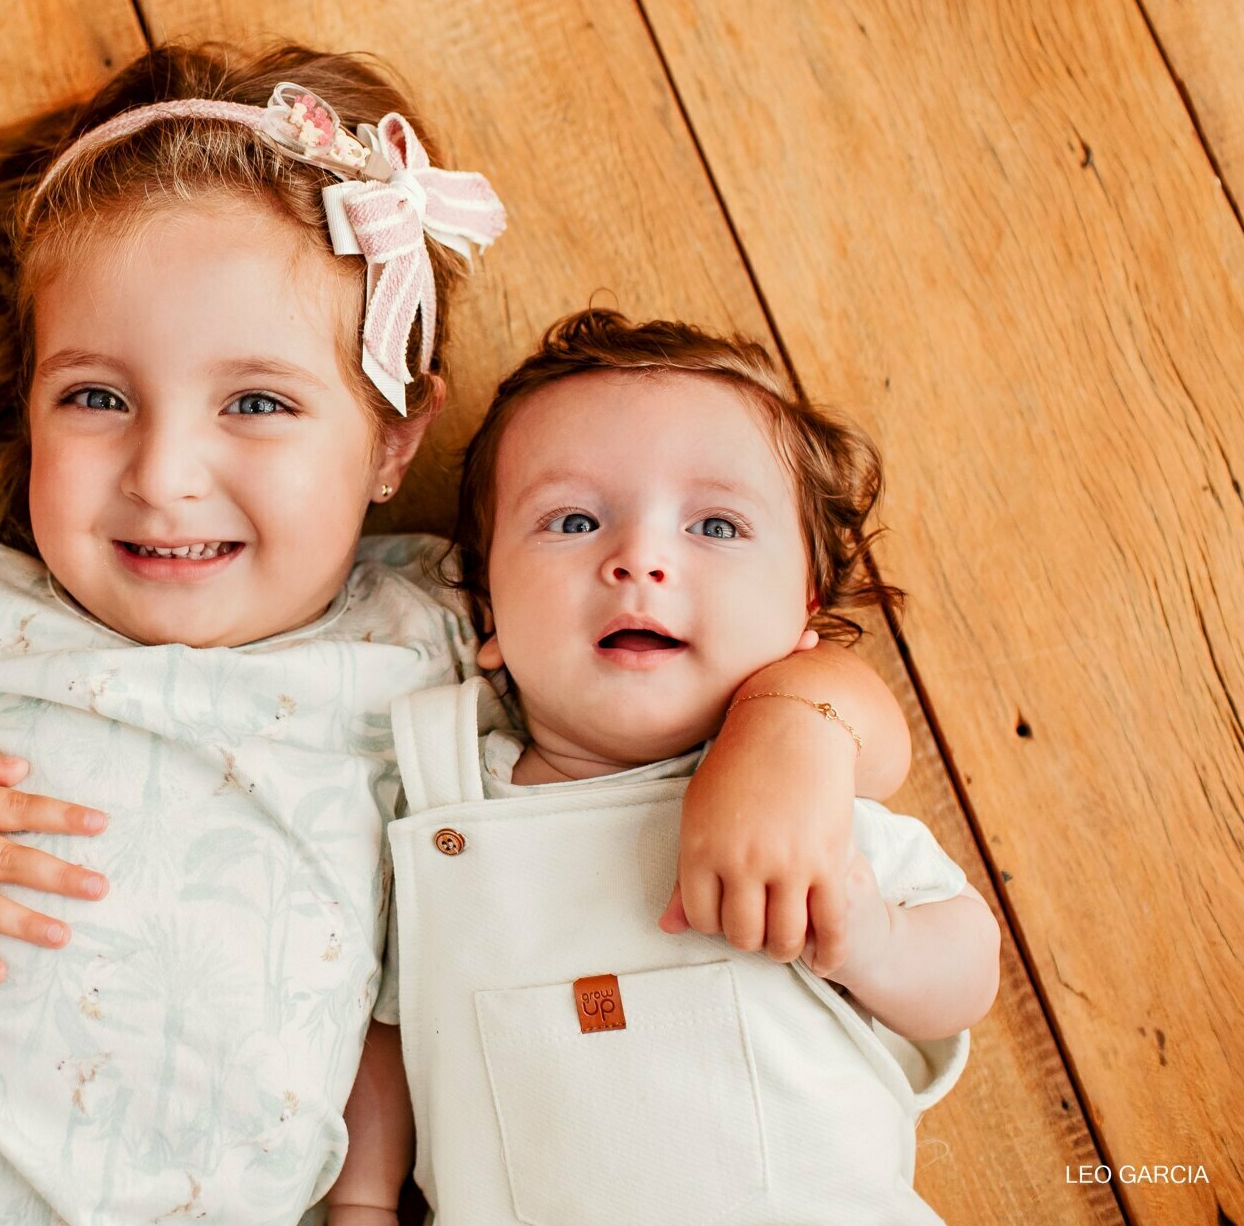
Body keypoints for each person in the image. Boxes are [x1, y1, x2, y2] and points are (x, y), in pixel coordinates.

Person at [0, 45, 913, 1225]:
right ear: (27, 402)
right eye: (94, 396)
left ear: (395, 439)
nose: (166, 472)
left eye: (254, 400)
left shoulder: (443, 636)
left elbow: (710, 639)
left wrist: (797, 730)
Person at [332, 310, 1001, 1224]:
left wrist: (876, 940)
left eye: (717, 527)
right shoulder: (440, 799)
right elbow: (390, 1026)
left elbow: (967, 967)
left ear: (802, 610)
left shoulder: (804, 803)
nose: (639, 560)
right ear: (488, 608)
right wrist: (364, 1200)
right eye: (572, 520)